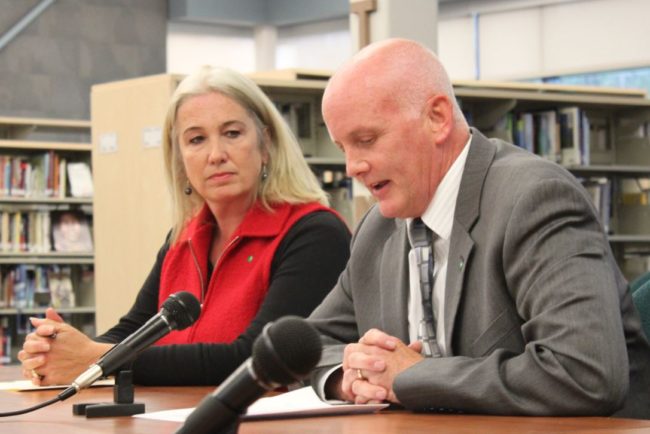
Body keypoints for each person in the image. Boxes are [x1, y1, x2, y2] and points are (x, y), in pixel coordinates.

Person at [307, 38, 650, 418]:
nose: (352, 166)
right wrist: (351, 376)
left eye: (366, 140)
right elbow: (310, 345)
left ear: (437, 118)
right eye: (343, 148)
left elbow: (585, 373)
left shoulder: (535, 200)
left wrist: (414, 376)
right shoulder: (378, 228)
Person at [18, 65, 351, 386]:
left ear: (266, 145)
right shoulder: (183, 238)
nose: (216, 154)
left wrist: (95, 359)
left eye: (232, 133)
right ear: (179, 160)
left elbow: (254, 358)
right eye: (196, 140)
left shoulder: (314, 234)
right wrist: (61, 350)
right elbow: (134, 331)